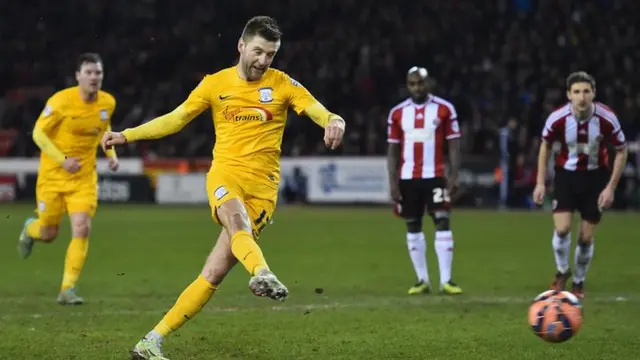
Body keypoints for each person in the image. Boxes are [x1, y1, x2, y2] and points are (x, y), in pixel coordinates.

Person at [101, 16, 345, 360]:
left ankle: (151, 341)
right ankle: (262, 272)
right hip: (225, 175)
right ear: (241, 46)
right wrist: (127, 135)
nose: (263, 61)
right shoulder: (215, 84)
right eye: (258, 51)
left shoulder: (284, 84)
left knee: (213, 273)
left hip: (263, 191)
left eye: (271, 55)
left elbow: (321, 111)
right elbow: (176, 118)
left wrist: (336, 120)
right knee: (236, 222)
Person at [17, 53, 119, 305]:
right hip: (52, 177)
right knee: (48, 232)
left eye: (98, 72)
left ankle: (67, 289)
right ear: (78, 76)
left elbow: (103, 130)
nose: (94, 77)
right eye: (89, 72)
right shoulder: (61, 101)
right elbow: (39, 134)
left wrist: (111, 153)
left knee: (82, 227)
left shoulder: (107, 102)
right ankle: (30, 229)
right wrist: (62, 159)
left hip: (83, 178)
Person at [533, 71, 627, 300]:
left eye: (586, 91)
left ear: (593, 93)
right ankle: (562, 272)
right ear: (568, 95)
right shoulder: (557, 118)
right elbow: (545, 146)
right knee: (563, 229)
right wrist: (540, 182)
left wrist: (610, 188)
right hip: (566, 176)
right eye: (576, 92)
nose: (581, 97)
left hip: (596, 178)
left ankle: (578, 282)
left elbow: (622, 150)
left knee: (585, 237)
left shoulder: (606, 118)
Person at [386, 66, 463, 296]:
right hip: (408, 177)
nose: (417, 87)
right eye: (412, 83)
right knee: (412, 224)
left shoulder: (444, 109)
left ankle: (446, 280)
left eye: (420, 83)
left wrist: (454, 174)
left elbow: (454, 144)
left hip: (436, 174)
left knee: (442, 220)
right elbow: (392, 149)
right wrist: (392, 181)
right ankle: (422, 280)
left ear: (429, 83)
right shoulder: (398, 113)